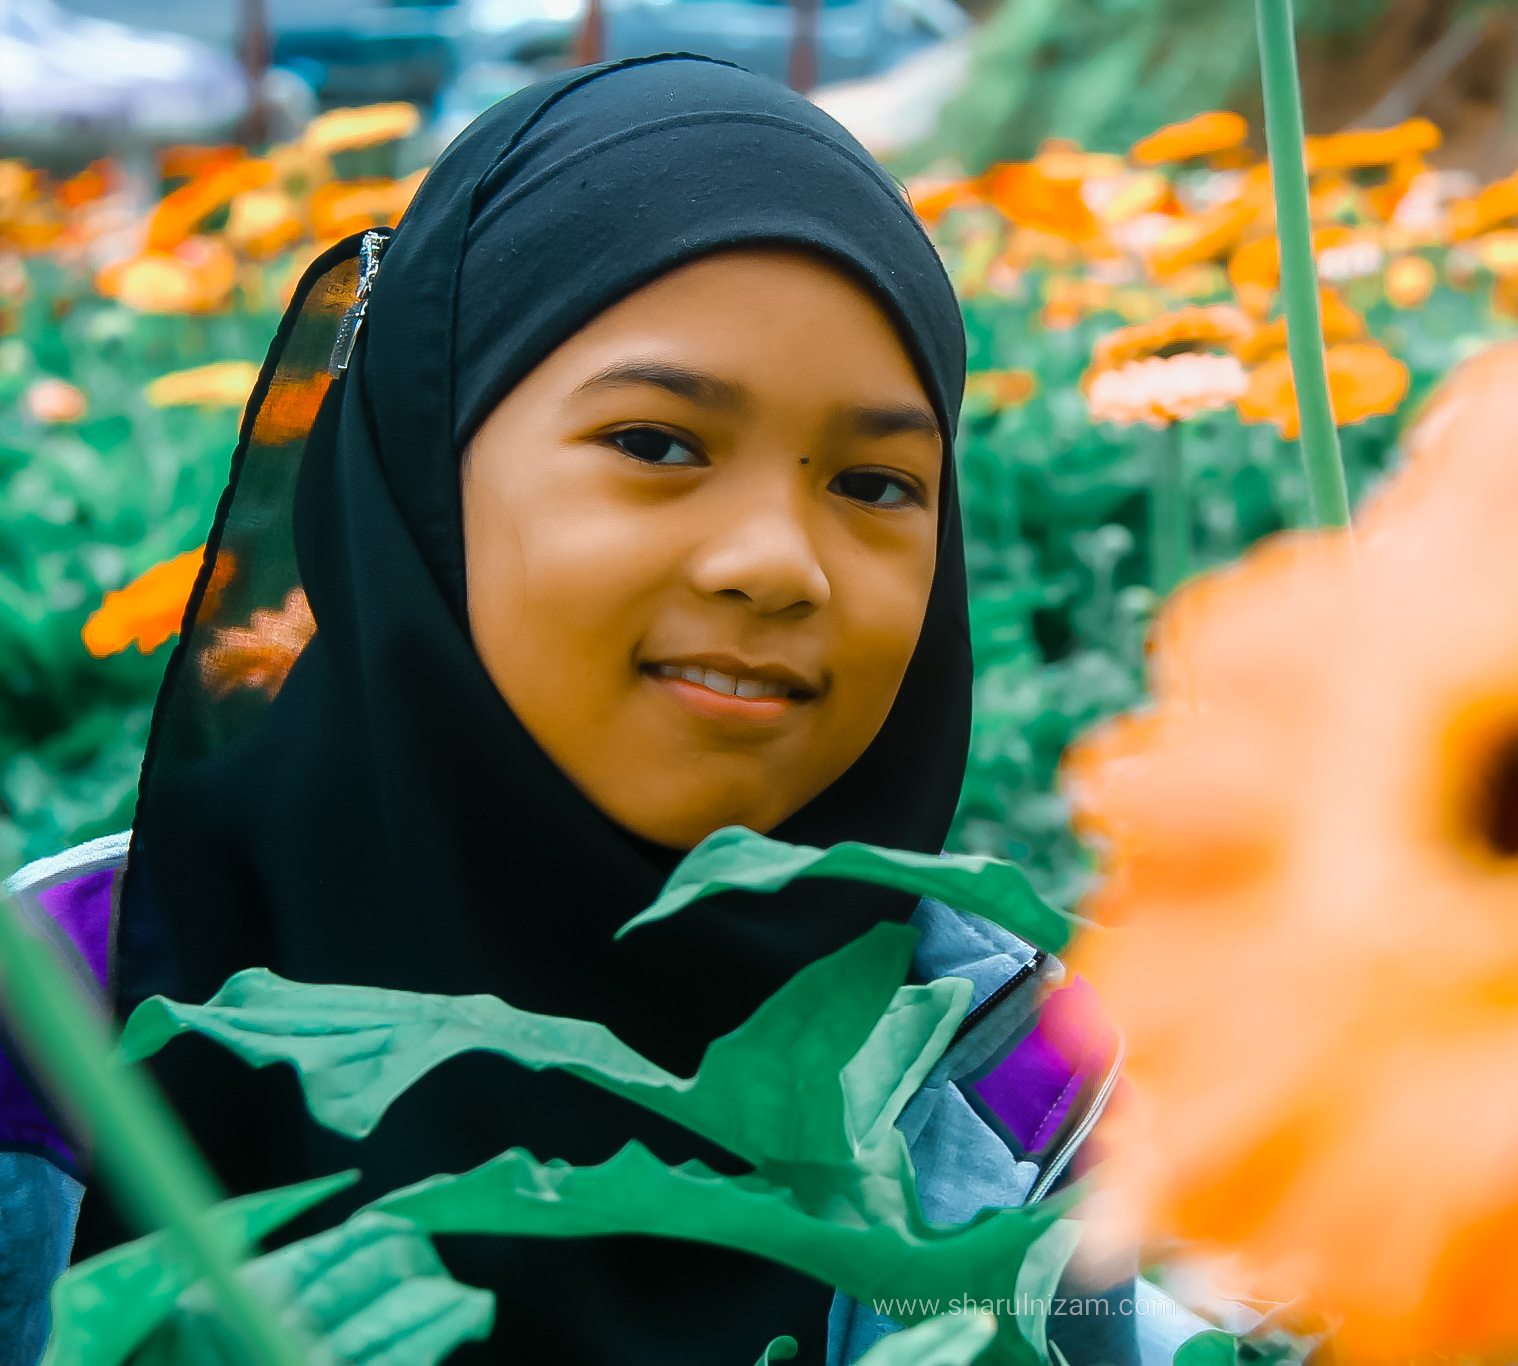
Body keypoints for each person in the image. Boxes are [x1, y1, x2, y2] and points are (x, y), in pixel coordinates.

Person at [0, 54, 1181, 1366]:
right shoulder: (56, 1013)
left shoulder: (1003, 1066)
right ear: (416, 463)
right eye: (657, 444)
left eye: (875, 481)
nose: (776, 562)